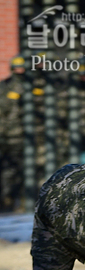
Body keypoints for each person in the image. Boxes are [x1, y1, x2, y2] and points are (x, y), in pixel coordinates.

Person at [0, 55, 26, 211]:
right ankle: (6, 201)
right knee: (7, 170)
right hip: (6, 136)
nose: (19, 72)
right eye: (16, 68)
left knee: (21, 169)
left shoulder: (29, 85)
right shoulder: (4, 86)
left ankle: (17, 201)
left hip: (22, 136)